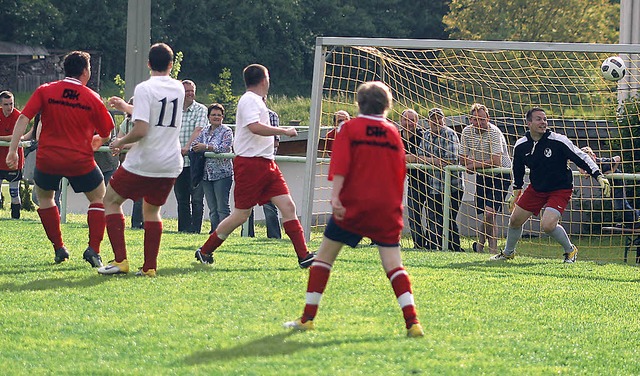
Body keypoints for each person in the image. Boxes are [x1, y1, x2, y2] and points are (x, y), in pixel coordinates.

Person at [283, 81, 424, 337]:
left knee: (323, 259)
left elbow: (340, 166)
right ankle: (413, 322)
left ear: (359, 104)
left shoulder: (350, 128)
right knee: (394, 265)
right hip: (386, 208)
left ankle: (307, 318)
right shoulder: (393, 133)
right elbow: (399, 172)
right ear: (387, 106)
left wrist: (335, 198)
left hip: (353, 205)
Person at [194, 63, 315, 268]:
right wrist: (283, 131)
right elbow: (254, 127)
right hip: (250, 164)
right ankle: (205, 250)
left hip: (267, 164)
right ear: (263, 80)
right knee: (241, 214)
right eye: (268, 78)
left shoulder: (257, 101)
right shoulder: (249, 100)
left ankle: (304, 256)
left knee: (288, 206)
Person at [5, 51, 115, 267]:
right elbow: (107, 132)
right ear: (85, 71)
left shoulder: (46, 90)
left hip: (48, 158)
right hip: (79, 159)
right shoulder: (92, 97)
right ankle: (94, 248)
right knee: (99, 198)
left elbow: (24, 118)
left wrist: (12, 150)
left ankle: (59, 248)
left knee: (46, 198)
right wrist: (96, 142)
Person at [97, 42, 185, 277]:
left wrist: (120, 141)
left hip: (145, 159)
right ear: (171, 65)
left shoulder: (145, 88)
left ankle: (120, 261)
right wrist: (127, 106)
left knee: (111, 200)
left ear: (148, 64)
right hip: (170, 162)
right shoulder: (179, 88)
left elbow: (143, 128)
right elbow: (158, 115)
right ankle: (149, 268)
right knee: (152, 211)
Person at [490, 107, 611, 262]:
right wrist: (516, 192)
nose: (543, 122)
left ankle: (570, 250)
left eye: (545, 119)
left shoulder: (558, 140)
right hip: (536, 188)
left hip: (560, 189)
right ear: (529, 123)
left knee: (547, 225)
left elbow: (581, 157)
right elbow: (518, 170)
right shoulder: (521, 145)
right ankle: (508, 252)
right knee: (514, 221)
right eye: (538, 119)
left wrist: (598, 175)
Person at [460, 103, 512, 254]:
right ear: (470, 120)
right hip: (483, 175)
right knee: (487, 215)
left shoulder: (494, 132)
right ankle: (480, 247)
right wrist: (473, 166)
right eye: (475, 119)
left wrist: (473, 165)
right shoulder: (466, 132)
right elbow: (462, 159)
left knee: (490, 213)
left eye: (482, 119)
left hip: (501, 174)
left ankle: (493, 250)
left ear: (488, 118)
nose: (479, 123)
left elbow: (496, 161)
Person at [420, 108, 465, 252]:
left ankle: (455, 248)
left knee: (449, 218)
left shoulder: (449, 134)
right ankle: (433, 247)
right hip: (433, 185)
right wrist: (434, 161)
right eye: (433, 119)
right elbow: (420, 156)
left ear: (443, 120)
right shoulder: (426, 135)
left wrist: (429, 160)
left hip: (453, 186)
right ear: (428, 121)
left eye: (439, 118)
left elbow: (450, 160)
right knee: (433, 217)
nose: (436, 121)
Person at [192, 103, 233, 233]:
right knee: (212, 207)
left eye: (219, 115)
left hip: (222, 174)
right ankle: (214, 232)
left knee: (222, 207)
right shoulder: (204, 130)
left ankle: (224, 232)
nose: (216, 117)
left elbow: (225, 148)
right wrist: (199, 147)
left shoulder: (227, 131)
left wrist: (207, 147)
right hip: (206, 174)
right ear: (208, 117)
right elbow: (195, 144)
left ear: (223, 117)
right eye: (213, 115)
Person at [244, 99, 282, 239]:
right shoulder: (245, 115)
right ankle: (247, 234)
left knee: (269, 203)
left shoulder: (272, 116)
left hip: (266, 165)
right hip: (248, 164)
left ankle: (274, 236)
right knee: (247, 204)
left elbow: (275, 143)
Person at [174, 79, 207, 233]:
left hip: (195, 161)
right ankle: (183, 229)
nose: (190, 94)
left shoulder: (201, 109)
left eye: (192, 91)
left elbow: (199, 130)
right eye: (186, 91)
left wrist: (187, 147)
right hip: (177, 161)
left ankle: (195, 230)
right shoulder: (173, 110)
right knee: (181, 198)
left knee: (197, 199)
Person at [581, 146, 640, 226]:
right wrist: (584, 172)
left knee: (620, 205)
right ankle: (630, 222)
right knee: (618, 206)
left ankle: (636, 219)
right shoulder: (587, 165)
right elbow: (580, 167)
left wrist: (612, 170)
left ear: (594, 156)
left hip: (617, 182)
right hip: (608, 184)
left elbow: (618, 158)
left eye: (589, 158)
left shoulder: (603, 162)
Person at [400, 109, 429, 249]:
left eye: (411, 120)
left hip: (430, 180)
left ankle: (431, 243)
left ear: (417, 121)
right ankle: (418, 244)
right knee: (413, 214)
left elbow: (419, 158)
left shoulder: (423, 136)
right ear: (401, 121)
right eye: (406, 119)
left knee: (432, 215)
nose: (408, 123)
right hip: (414, 181)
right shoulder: (397, 136)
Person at [115, 97, 143, 229]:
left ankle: (137, 224)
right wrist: (120, 144)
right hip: (128, 164)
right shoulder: (125, 124)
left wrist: (122, 144)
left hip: (143, 164)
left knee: (140, 196)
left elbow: (142, 143)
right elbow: (118, 139)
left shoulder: (144, 124)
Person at [0, 91, 23, 219]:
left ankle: (15, 217)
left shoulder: (18, 116)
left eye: (11, 104)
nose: (9, 107)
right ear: (1, 105)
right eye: (6, 104)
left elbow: (17, 136)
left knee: (14, 192)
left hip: (13, 160)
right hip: (0, 159)